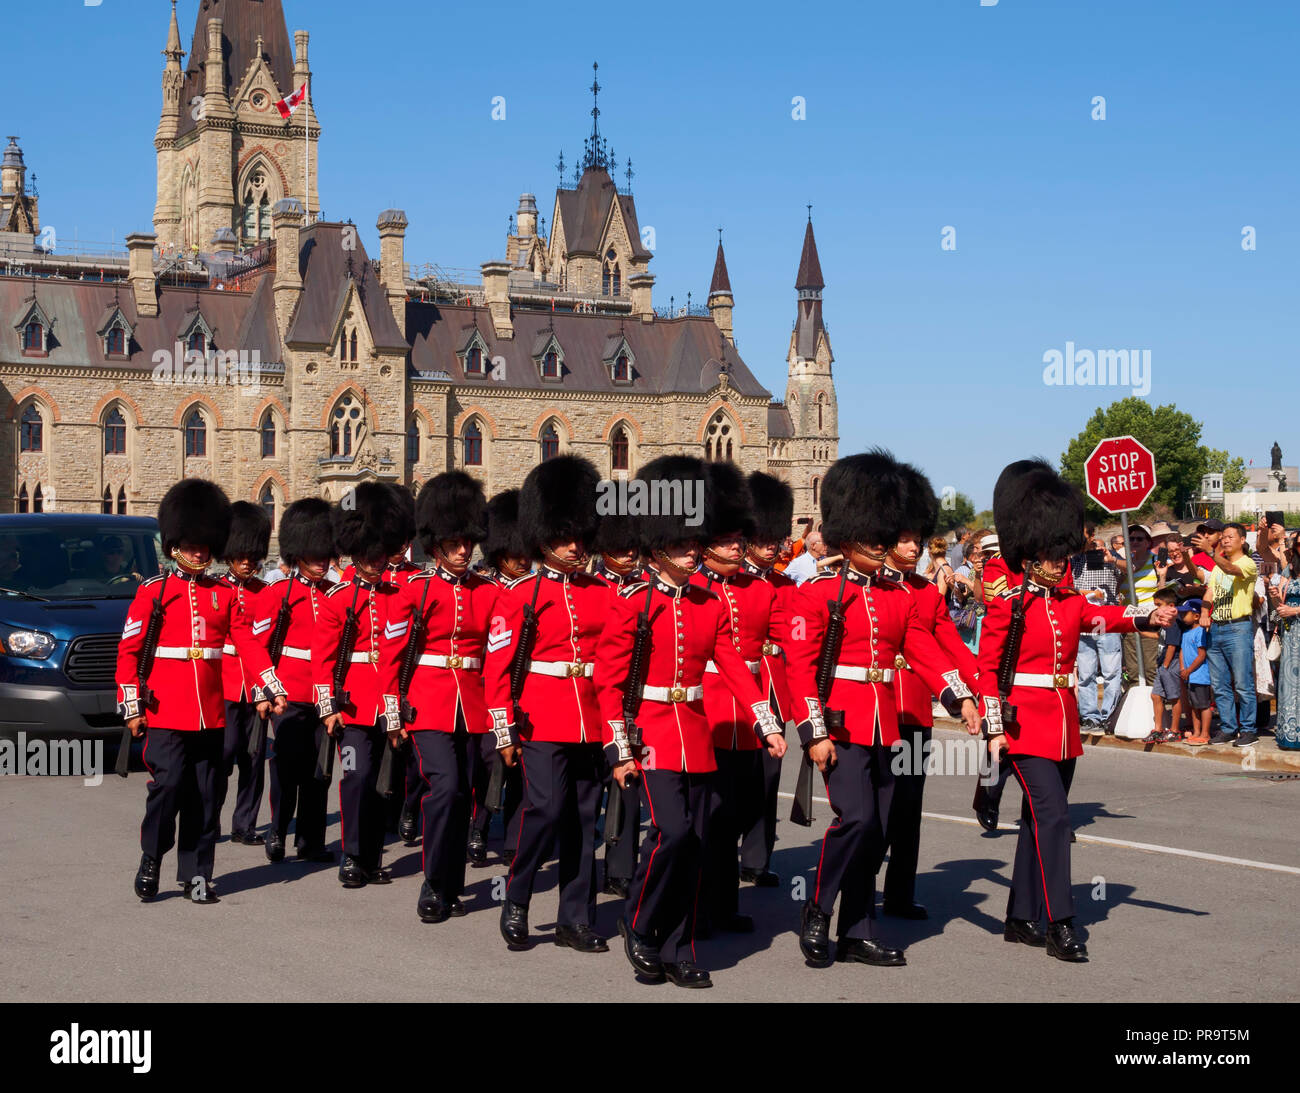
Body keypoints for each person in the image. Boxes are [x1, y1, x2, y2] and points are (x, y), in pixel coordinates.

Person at [595, 454, 787, 990]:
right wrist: (620, 750)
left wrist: (766, 722)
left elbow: (731, 663)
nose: (689, 551)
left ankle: (680, 946)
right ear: (659, 546)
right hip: (651, 732)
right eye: (680, 544)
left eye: (691, 542)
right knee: (672, 834)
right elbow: (610, 682)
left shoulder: (706, 603)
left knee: (698, 844)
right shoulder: (634, 603)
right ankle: (639, 921)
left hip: (695, 731)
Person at [786, 450, 979, 970]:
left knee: (878, 829)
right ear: (848, 538)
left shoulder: (897, 598)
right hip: (841, 724)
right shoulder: (818, 594)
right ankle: (817, 908)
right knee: (858, 819)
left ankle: (857, 930)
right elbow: (801, 669)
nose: (883, 543)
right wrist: (813, 731)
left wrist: (958, 695)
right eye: (874, 535)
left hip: (885, 725)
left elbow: (925, 653)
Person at [978, 460, 1175, 961]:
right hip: (1023, 723)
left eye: (1062, 552)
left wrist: (1145, 614)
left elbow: (1102, 615)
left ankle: (1020, 916)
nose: (1060, 561)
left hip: (1063, 723)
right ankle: (1059, 921)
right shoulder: (1010, 604)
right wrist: (994, 731)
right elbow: (988, 672)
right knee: (1056, 818)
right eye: (1051, 554)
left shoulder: (1067, 601)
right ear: (1031, 556)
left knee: (1035, 820)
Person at [117, 479, 288, 903]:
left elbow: (247, 642)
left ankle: (197, 874)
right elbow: (129, 651)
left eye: (204, 545)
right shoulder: (154, 592)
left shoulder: (223, 595)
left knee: (206, 796)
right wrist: (131, 705)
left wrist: (269, 681)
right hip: (165, 712)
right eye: (192, 544)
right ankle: (152, 856)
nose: (199, 553)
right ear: (176, 543)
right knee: (168, 787)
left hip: (210, 714)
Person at [488, 456, 612, 953]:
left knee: (585, 818)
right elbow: (499, 668)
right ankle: (517, 897)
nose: (576, 547)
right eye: (565, 538)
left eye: (580, 537)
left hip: (592, 716)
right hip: (541, 713)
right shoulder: (521, 596)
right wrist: (503, 730)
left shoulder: (603, 592)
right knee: (543, 807)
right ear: (544, 539)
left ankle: (574, 918)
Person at [387, 472, 502, 921]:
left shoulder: (488, 591)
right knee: (446, 788)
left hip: (472, 705)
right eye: (452, 543)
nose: (461, 550)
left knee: (464, 794)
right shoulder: (414, 589)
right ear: (435, 545)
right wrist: (392, 711)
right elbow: (394, 655)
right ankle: (435, 881)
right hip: (429, 701)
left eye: (466, 543)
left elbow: (498, 656)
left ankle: (453, 882)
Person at [688, 462, 787, 936]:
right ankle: (701, 904)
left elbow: (787, 642)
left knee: (736, 813)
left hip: (745, 714)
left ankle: (724, 903)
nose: (736, 547)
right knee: (707, 816)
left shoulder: (760, 589)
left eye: (738, 540)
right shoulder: (689, 589)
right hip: (703, 707)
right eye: (727, 540)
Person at [882, 462, 979, 921]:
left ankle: (900, 893)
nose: (912, 546)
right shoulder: (864, 590)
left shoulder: (926, 592)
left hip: (916, 711)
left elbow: (953, 647)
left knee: (907, 810)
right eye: (904, 539)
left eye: (916, 540)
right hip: (877, 713)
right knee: (873, 813)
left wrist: (980, 689)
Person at [312, 482, 411, 889]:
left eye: (380, 554)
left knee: (380, 783)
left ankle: (371, 855)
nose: (375, 562)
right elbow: (323, 657)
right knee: (356, 775)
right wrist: (327, 706)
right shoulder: (339, 598)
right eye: (369, 555)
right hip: (351, 705)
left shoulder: (399, 595)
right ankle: (351, 855)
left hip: (389, 703)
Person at [261, 498, 335, 864]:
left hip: (324, 695)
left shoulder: (334, 596)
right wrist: (267, 692)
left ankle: (311, 839)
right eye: (315, 554)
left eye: (325, 554)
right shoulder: (279, 594)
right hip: (288, 692)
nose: (322, 561)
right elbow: (261, 646)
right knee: (287, 768)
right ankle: (277, 830)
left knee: (319, 770)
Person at [738, 471, 797, 888]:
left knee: (767, 776)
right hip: (737, 685)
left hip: (772, 684)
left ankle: (757, 857)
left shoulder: (784, 583)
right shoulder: (729, 582)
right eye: (763, 537)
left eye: (774, 537)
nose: (770, 545)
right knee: (734, 778)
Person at [466, 489, 528, 865]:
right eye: (512, 552)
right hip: (488, 689)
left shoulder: (536, 590)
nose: (521, 559)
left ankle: (514, 841)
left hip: (527, 689)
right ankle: (479, 824)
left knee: (521, 767)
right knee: (489, 763)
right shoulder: (487, 590)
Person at [589, 508, 644, 895]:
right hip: (589, 699)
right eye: (620, 548)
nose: (628, 555)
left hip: (630, 697)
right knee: (589, 790)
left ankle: (621, 867)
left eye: (632, 548)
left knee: (628, 783)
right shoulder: (593, 587)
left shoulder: (643, 589)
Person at [214, 501, 272, 846]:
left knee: (253, 758)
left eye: (252, 556)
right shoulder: (217, 590)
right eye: (241, 555)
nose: (247, 562)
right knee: (222, 757)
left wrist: (267, 686)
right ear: (229, 555)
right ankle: (209, 817)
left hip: (256, 686)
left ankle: (244, 825)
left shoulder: (266, 593)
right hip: (224, 683)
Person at [1204, 522, 1259, 747]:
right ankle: (1228, 728)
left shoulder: (1248, 563)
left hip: (1238, 628)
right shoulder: (1218, 566)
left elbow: (1231, 570)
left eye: (1229, 537)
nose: (1225, 540)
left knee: (1243, 683)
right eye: (1223, 537)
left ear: (1242, 540)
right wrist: (1203, 612)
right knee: (1219, 684)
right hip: (1216, 628)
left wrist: (1211, 553)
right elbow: (1210, 590)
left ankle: (1248, 730)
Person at [1071, 525, 1123, 734]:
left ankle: (1108, 716)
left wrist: (1113, 560)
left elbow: (1130, 569)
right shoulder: (1072, 560)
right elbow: (1069, 587)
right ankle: (1090, 716)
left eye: (1082, 534)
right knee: (1085, 674)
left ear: (1092, 535)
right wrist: (1086, 594)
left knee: (1111, 671)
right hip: (1083, 622)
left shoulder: (1105, 555)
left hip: (1106, 619)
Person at [1112, 524, 1160, 687]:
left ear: (1148, 542)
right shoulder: (1123, 565)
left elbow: (1165, 589)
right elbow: (1118, 588)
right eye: (1131, 539)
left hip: (1150, 622)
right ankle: (1135, 708)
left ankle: (1155, 708)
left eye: (1139, 538)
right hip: (1129, 621)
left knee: (1150, 669)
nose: (1135, 541)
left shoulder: (1156, 561)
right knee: (1132, 671)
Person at [1268, 538, 1300, 750]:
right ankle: (1290, 734)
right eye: (1299, 544)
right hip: (1291, 633)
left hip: (1295, 621)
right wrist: (1275, 598)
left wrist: (1295, 611)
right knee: (1290, 683)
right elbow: (1279, 605)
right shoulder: (1290, 570)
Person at [1144, 585, 1183, 743]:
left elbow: (1172, 646)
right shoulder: (1164, 623)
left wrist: (1165, 666)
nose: (1157, 609)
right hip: (1162, 664)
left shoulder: (1173, 622)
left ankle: (1174, 730)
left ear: (1171, 606)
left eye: (1159, 605)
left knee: (1174, 697)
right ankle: (1158, 729)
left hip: (1170, 663)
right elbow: (1159, 638)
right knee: (1155, 695)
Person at [1178, 598, 1214, 745]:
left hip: (1200, 676)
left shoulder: (1201, 632)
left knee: (1203, 705)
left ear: (1196, 616)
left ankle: (1205, 733)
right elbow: (1181, 652)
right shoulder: (1186, 633)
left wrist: (1189, 670)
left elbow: (1201, 655)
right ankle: (1196, 731)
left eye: (1185, 613)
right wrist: (1182, 669)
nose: (1181, 616)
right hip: (1189, 676)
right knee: (1194, 706)